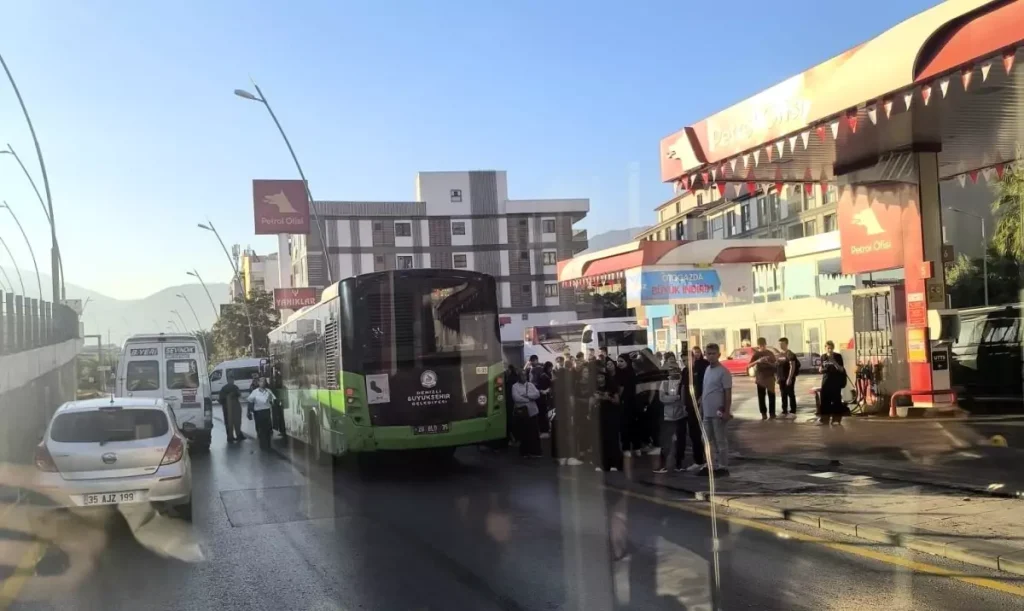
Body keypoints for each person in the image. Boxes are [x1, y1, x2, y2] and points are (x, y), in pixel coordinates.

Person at [700, 344, 732, 477]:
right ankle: (709, 465)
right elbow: (705, 389)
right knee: (706, 439)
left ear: (719, 355)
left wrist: (726, 411)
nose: (711, 356)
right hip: (706, 412)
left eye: (713, 353)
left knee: (720, 440)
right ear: (705, 354)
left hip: (718, 412)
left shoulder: (724, 372)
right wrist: (701, 405)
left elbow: (727, 393)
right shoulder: (707, 369)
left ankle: (723, 467)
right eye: (708, 353)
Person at [592, 371, 623, 472]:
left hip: (611, 415)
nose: (599, 379)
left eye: (601, 377)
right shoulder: (594, 388)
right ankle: (603, 464)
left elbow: (617, 401)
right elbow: (592, 402)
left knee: (613, 439)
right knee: (602, 439)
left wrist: (607, 398)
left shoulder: (612, 388)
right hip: (600, 415)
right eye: (598, 377)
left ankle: (615, 463)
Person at [511, 369, 543, 457]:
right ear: (518, 376)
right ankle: (525, 452)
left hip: (532, 412)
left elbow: (537, 394)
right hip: (522, 414)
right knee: (524, 433)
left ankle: (535, 452)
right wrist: (528, 400)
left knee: (534, 433)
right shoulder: (515, 386)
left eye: (525, 375)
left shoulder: (530, 385)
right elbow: (516, 398)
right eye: (522, 375)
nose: (523, 377)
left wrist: (527, 396)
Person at [613, 355, 640, 457]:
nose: (619, 363)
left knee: (627, 425)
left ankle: (629, 447)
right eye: (618, 361)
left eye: (621, 361)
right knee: (628, 425)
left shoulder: (627, 373)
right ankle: (632, 447)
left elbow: (621, 389)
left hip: (627, 402)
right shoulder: (623, 373)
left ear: (627, 362)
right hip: (629, 402)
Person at [748, 337, 778, 420]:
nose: (762, 347)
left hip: (770, 378)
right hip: (760, 379)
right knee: (761, 397)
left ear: (765, 344)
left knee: (771, 395)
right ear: (758, 346)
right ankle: (763, 413)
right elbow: (749, 365)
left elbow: (775, 365)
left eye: (763, 345)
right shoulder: (756, 354)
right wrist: (758, 361)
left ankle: (772, 413)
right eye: (760, 345)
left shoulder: (770, 353)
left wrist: (767, 362)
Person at [818, 340, 846, 425]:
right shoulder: (823, 357)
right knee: (824, 400)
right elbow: (821, 368)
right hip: (826, 381)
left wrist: (834, 362)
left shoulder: (838, 356)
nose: (829, 350)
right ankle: (824, 419)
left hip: (835, 382)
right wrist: (821, 370)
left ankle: (836, 419)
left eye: (831, 348)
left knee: (836, 400)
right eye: (827, 348)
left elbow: (841, 369)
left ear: (833, 348)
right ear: (825, 348)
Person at [247, 377, 277, 451]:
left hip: (266, 411)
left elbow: (273, 400)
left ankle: (268, 445)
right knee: (261, 429)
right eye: (261, 381)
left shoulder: (268, 391)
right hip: (258, 412)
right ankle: (262, 445)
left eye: (264, 382)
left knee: (267, 430)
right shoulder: (255, 392)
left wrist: (272, 403)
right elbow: (250, 401)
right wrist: (249, 412)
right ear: (258, 383)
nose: (262, 383)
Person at [218, 372, 244, 443]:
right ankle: (238, 435)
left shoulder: (223, 389)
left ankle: (230, 437)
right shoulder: (235, 387)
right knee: (236, 422)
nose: (232, 380)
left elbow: (220, 400)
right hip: (233, 408)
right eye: (231, 379)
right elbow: (239, 394)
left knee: (228, 422)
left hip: (227, 408)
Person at [777, 337, 800, 416]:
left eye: (782, 344)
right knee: (783, 394)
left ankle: (793, 410)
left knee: (790, 393)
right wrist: (777, 377)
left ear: (786, 344)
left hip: (788, 378)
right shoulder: (779, 354)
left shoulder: (790, 354)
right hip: (781, 378)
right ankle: (784, 409)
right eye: (779, 344)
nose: (780, 346)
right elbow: (777, 366)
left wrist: (789, 378)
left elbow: (792, 366)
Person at [536, 362, 554, 436]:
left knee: (546, 413)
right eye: (550, 368)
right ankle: (544, 430)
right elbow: (541, 387)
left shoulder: (547, 374)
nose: (551, 369)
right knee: (543, 413)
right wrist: (546, 390)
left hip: (546, 396)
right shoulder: (544, 376)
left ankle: (546, 429)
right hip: (542, 397)